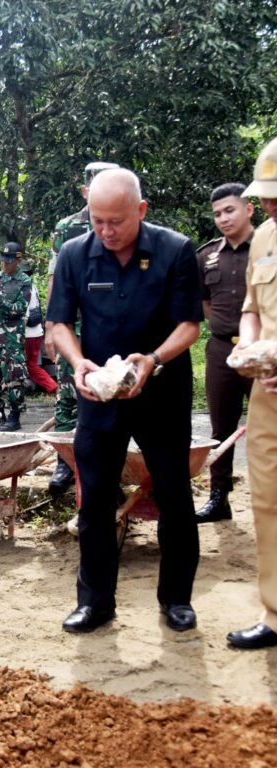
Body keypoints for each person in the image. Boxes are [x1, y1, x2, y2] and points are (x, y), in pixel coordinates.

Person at [48, 168, 203, 634]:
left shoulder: (176, 250)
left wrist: (153, 359)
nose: (106, 231)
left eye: (116, 221)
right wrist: (78, 362)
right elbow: (59, 324)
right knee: (94, 499)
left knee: (173, 494)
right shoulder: (75, 254)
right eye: (97, 220)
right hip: (100, 395)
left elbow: (189, 325)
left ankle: (176, 598)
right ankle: (95, 602)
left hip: (161, 392)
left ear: (141, 211)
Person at [226, 137, 277, 650]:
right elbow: (251, 306)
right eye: (265, 195)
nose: (270, 205)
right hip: (269, 394)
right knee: (266, 500)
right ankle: (275, 611)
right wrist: (250, 345)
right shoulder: (263, 237)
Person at [46, 161, 120, 495]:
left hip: (111, 326)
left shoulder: (126, 221)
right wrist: (51, 326)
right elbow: (55, 278)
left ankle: (113, 471)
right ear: (85, 190)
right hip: (71, 327)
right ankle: (65, 463)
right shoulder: (66, 229)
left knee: (112, 395)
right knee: (67, 393)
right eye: (96, 187)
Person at [195, 183, 254, 524]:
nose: (223, 219)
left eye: (229, 210)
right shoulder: (207, 255)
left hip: (264, 352)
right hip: (221, 351)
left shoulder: (268, 248)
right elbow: (205, 303)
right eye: (217, 213)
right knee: (221, 429)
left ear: (249, 208)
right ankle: (219, 498)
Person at [0, 242, 33, 431]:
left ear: (18, 260)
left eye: (9, 262)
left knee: (14, 379)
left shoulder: (24, 281)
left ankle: (15, 417)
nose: (5, 265)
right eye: (3, 261)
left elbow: (20, 309)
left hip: (12, 338)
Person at [21, 257, 57, 395]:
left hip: (29, 333)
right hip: (35, 332)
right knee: (30, 365)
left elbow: (23, 311)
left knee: (31, 366)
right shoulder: (32, 286)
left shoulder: (24, 287)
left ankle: (53, 387)